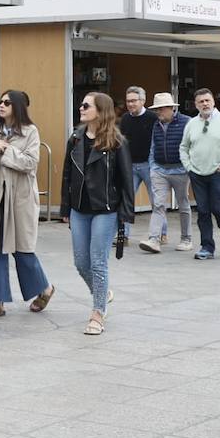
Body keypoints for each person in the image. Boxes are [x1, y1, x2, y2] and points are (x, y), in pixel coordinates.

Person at [0, 89, 51, 318]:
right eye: (0, 101)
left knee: (22, 249)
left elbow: (31, 163)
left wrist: (7, 149)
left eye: (7, 102)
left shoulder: (30, 131)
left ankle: (44, 288)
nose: (1, 105)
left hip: (21, 199)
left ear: (17, 106)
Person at [60, 91, 133, 336]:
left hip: (106, 209)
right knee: (81, 262)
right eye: (81, 105)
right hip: (79, 208)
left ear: (101, 111)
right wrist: (65, 207)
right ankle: (103, 293)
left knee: (98, 261)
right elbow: (67, 175)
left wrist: (126, 214)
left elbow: (126, 179)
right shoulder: (75, 138)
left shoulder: (117, 141)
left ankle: (98, 313)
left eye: (86, 105)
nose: (81, 108)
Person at [180, 88, 220, 261]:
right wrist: (188, 166)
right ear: (196, 104)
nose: (205, 104)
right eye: (201, 101)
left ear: (213, 102)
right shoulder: (191, 124)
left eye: (207, 100)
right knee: (203, 210)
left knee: (218, 207)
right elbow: (184, 147)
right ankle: (206, 246)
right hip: (197, 173)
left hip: (218, 172)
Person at [140, 92, 192, 253]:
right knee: (158, 204)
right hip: (159, 170)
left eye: (161, 109)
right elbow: (153, 146)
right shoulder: (156, 124)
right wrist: (153, 167)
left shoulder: (187, 122)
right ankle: (154, 239)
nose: (158, 112)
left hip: (181, 170)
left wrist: (189, 166)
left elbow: (193, 145)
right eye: (156, 109)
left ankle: (186, 239)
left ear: (171, 108)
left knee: (183, 204)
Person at [119, 85, 160, 236]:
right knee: (126, 200)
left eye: (134, 101)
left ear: (142, 101)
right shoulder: (125, 118)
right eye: (128, 101)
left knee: (156, 201)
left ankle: (160, 234)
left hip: (149, 165)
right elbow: (121, 142)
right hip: (130, 165)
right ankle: (123, 234)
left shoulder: (153, 118)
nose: (130, 104)